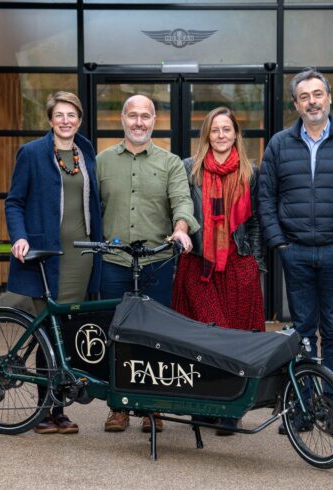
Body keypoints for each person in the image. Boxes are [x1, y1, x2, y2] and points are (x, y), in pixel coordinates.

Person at [258, 69, 333, 436]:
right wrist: (281, 243)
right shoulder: (280, 144)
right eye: (304, 97)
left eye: (318, 94)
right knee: (302, 331)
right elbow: (266, 198)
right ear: (296, 104)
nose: (312, 101)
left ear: (329, 98)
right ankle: (304, 406)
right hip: (295, 252)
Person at [96, 94, 199, 433]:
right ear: (123, 120)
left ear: (155, 121)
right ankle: (118, 407)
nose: (138, 122)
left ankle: (152, 406)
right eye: (132, 116)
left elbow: (182, 202)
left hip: (156, 263)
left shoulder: (170, 163)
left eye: (145, 116)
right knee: (117, 335)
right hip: (113, 262)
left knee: (157, 337)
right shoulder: (102, 161)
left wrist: (181, 229)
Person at [5, 91, 103, 435]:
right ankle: (48, 411)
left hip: (82, 256)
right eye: (59, 115)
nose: (65, 120)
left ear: (79, 120)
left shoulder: (86, 151)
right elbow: (14, 201)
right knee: (50, 332)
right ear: (50, 120)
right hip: (47, 258)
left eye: (72, 115)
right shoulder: (32, 153)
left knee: (68, 333)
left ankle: (59, 408)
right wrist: (20, 236)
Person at [171, 106, 265, 435]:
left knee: (236, 339)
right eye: (215, 130)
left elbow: (256, 224)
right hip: (200, 265)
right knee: (207, 336)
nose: (221, 136)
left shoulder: (250, 172)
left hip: (239, 266)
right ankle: (206, 403)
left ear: (236, 133)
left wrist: (254, 262)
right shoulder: (189, 169)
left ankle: (231, 409)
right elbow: (181, 207)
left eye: (227, 129)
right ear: (206, 135)